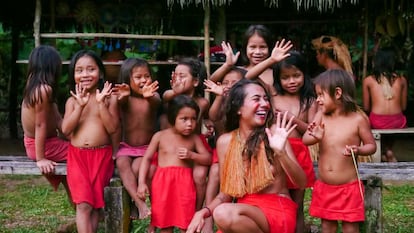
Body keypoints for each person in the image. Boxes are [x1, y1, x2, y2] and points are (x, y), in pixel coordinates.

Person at [187, 78, 307, 233]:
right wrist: (203, 212)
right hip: (243, 215)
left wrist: (281, 153)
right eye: (256, 99)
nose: (265, 104)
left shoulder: (275, 133)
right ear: (238, 108)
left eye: (265, 99)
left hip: (277, 208)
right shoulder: (225, 142)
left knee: (223, 213)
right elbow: (225, 194)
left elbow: (302, 182)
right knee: (224, 214)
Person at [246, 50, 317, 233]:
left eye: (296, 75)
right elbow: (249, 76)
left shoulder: (309, 100)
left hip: (299, 153)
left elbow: (311, 129)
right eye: (285, 77)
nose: (291, 81)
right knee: (281, 198)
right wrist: (271, 59)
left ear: (304, 74)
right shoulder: (272, 94)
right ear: (278, 78)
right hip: (276, 152)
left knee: (298, 205)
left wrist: (291, 119)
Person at [303, 69, 376, 233]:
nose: (318, 100)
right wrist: (315, 137)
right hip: (325, 186)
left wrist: (358, 150)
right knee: (327, 226)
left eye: (321, 95)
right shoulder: (321, 116)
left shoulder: (358, 119)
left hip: (349, 188)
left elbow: (371, 146)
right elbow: (305, 139)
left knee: (350, 227)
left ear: (337, 93)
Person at [61, 50, 119, 233]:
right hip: (78, 157)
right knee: (84, 204)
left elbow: (112, 128)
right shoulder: (72, 101)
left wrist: (101, 104)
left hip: (101, 156)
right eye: (79, 70)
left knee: (94, 205)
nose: (85, 74)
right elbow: (65, 130)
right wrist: (80, 106)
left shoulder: (110, 99)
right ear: (74, 74)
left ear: (100, 73)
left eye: (90, 69)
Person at [137, 95, 211, 233]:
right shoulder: (160, 136)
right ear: (172, 118)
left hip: (185, 186)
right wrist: (141, 182)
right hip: (162, 185)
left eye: (193, 119)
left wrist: (192, 155)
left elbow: (207, 158)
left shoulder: (194, 139)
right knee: (165, 225)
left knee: (186, 225)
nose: (190, 124)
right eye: (184, 119)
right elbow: (146, 159)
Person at [21, 45, 72, 204]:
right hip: (42, 146)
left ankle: (83, 213)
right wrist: (41, 158)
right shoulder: (43, 90)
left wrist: (75, 135)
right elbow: (40, 126)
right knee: (85, 154)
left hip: (42, 143)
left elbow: (58, 121)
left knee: (71, 178)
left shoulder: (35, 85)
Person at [112, 58, 161, 219]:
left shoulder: (152, 98)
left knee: (138, 168)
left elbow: (157, 103)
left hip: (146, 148)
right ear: (127, 80)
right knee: (121, 163)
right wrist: (124, 95)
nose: (144, 80)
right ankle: (140, 204)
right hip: (126, 146)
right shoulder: (126, 99)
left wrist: (149, 96)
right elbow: (122, 102)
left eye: (147, 76)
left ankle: (134, 202)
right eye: (138, 77)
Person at [162, 57, 212, 211]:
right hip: (173, 149)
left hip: (195, 148)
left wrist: (208, 126)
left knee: (199, 175)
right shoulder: (169, 96)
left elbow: (202, 121)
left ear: (196, 82)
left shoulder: (202, 103)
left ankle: (197, 212)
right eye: (175, 75)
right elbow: (168, 99)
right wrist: (177, 93)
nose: (177, 79)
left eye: (182, 76)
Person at [202, 67, 246, 233]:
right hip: (221, 154)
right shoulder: (220, 102)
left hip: (242, 153)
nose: (229, 86)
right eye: (225, 83)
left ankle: (229, 214)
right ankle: (209, 218)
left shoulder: (246, 104)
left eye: (234, 83)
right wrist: (220, 97)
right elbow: (213, 116)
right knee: (214, 172)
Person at [362, 48, 408, 162]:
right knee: (395, 122)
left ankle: (385, 151)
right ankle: (388, 150)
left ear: (376, 62)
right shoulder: (402, 80)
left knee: (370, 123)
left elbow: (366, 108)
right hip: (398, 121)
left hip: (377, 121)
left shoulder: (368, 80)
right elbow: (403, 107)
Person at [210, 25, 275, 89]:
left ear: (270, 48)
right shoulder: (237, 72)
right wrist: (227, 65)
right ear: (245, 48)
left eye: (262, 47)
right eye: (253, 47)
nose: (257, 52)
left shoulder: (275, 73)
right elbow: (209, 83)